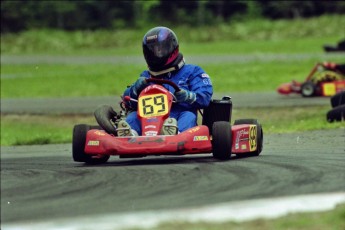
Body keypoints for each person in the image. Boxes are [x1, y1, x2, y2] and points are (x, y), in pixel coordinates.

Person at [117, 26, 213, 136]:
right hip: (148, 119)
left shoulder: (192, 71)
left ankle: (175, 133)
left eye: (159, 49)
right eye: (151, 50)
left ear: (171, 47)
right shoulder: (146, 76)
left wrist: (188, 96)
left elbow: (205, 97)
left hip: (177, 116)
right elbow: (127, 101)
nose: (155, 53)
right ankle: (130, 134)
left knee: (188, 116)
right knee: (133, 116)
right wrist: (134, 90)